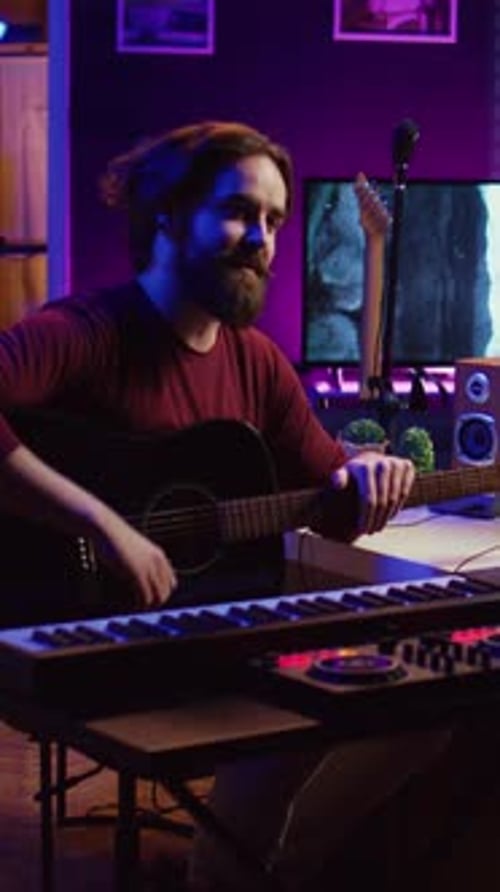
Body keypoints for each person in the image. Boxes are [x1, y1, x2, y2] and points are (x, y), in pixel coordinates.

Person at [0, 120, 462, 891]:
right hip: (80, 639)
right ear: (169, 214)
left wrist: (365, 474)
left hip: (214, 640)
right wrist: (100, 521)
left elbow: (330, 499)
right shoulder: (85, 333)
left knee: (429, 702)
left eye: (276, 221)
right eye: (241, 212)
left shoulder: (257, 364)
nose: (263, 238)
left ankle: (250, 870)